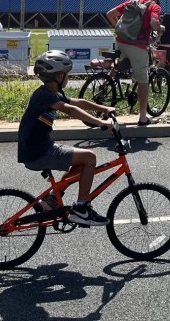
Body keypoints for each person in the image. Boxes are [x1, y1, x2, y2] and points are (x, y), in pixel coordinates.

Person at [17, 51, 116, 227]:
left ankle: (53, 198)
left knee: (81, 161)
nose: (68, 77)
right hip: (38, 152)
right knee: (90, 157)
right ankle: (81, 209)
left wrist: (104, 107)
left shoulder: (51, 92)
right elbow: (70, 110)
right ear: (59, 76)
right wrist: (100, 122)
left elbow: (77, 103)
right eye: (67, 74)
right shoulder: (44, 96)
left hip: (40, 148)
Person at [106, 0, 162, 126]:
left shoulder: (132, 2)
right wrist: (160, 28)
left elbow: (110, 14)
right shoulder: (154, 6)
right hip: (138, 46)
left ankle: (103, 89)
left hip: (120, 42)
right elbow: (154, 24)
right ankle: (143, 117)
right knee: (143, 80)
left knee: (117, 69)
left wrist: (120, 28)